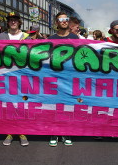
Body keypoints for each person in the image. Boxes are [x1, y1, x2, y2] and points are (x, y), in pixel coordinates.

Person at [0, 11, 29, 146]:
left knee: (22, 104)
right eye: (11, 20)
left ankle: (22, 132)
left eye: (15, 19)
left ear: (19, 21)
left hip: (23, 76)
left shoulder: (27, 38)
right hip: (5, 76)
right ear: (8, 22)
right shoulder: (0, 36)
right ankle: (9, 132)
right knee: (8, 104)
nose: (13, 22)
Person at [47, 12, 77, 147]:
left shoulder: (75, 38)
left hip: (70, 78)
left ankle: (66, 132)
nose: (64, 21)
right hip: (54, 78)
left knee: (68, 106)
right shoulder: (51, 38)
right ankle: (54, 132)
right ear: (56, 22)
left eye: (66, 19)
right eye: (61, 19)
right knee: (55, 106)